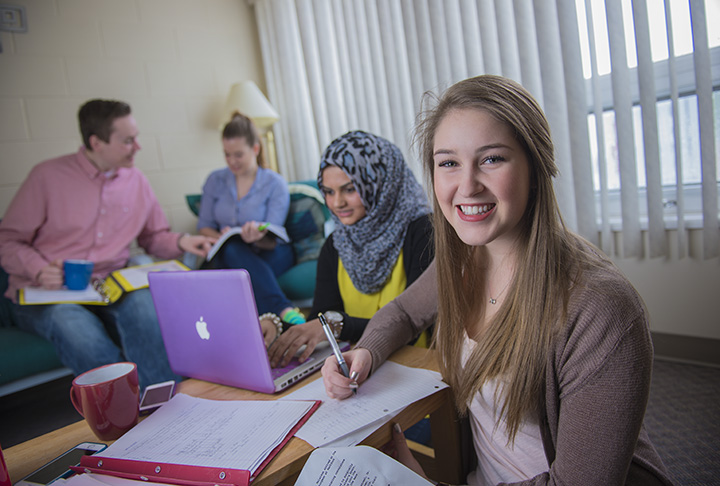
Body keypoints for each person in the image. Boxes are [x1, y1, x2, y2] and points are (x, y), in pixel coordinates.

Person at [321, 76, 674, 485]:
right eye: (448, 163)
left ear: (535, 166)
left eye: (491, 159)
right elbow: (402, 312)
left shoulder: (601, 309)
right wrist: (366, 352)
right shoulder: (464, 261)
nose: (466, 186)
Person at [0, 99, 216, 390]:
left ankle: (168, 404)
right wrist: (38, 269)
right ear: (96, 142)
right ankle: (125, 413)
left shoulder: (136, 181)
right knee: (79, 333)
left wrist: (183, 241)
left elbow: (153, 237)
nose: (137, 146)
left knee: (146, 312)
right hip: (48, 292)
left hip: (110, 285)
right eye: (128, 141)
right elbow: (8, 240)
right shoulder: (46, 177)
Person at [267, 130, 433, 367]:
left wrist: (339, 325)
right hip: (359, 367)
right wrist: (275, 326)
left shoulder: (425, 231)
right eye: (329, 191)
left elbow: (414, 326)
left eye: (349, 189)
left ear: (381, 184)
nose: (337, 203)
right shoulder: (336, 245)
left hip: (419, 367)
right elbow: (320, 323)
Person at [197, 111, 304, 325]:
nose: (232, 161)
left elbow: (274, 233)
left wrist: (257, 236)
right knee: (232, 250)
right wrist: (222, 235)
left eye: (238, 155)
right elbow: (204, 226)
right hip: (230, 251)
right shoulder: (214, 181)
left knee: (236, 265)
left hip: (270, 251)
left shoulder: (275, 183)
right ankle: (284, 312)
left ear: (255, 149)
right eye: (227, 154)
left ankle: (269, 321)